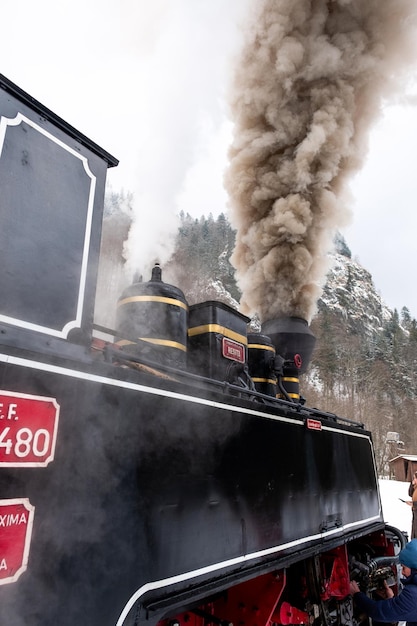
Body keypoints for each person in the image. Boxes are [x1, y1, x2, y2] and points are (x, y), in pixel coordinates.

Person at [349, 539, 417, 626]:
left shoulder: (413, 596)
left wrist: (356, 594)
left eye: (404, 568)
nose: (402, 573)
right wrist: (392, 600)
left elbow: (378, 612)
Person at [407, 472, 417, 539]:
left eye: (415, 478)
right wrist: (412, 484)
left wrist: (414, 504)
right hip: (415, 511)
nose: (414, 479)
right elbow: (410, 493)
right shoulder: (415, 487)